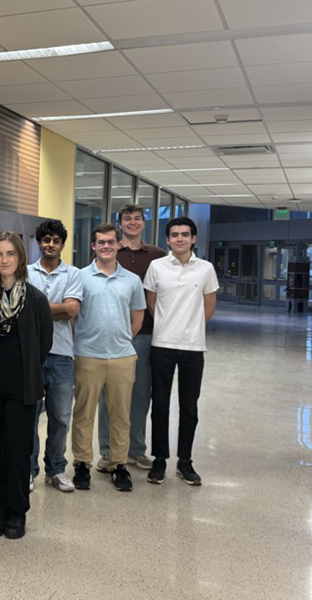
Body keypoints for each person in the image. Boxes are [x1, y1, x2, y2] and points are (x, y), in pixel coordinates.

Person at [0, 232, 52, 540]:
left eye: (10, 254)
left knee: (17, 452)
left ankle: (17, 513)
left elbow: (44, 343)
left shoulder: (36, 299)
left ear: (20, 258)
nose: (4, 260)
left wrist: (22, 365)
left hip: (22, 384)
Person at [70, 224, 145, 492]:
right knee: (83, 413)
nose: (105, 246)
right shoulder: (79, 277)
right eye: (100, 242)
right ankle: (81, 463)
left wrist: (119, 339)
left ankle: (118, 465)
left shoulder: (132, 280)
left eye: (110, 242)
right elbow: (72, 318)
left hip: (123, 357)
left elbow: (137, 319)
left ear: (118, 245)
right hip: (87, 356)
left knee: (121, 415)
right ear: (93, 246)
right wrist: (85, 341)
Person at [144, 216, 218, 486]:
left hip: (193, 347)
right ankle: (160, 460)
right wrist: (169, 325)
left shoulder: (206, 269)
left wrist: (191, 327)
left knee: (189, 406)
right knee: (160, 405)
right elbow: (152, 303)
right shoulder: (156, 266)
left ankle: (185, 461)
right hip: (162, 345)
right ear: (167, 239)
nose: (179, 239)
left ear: (193, 238)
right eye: (174, 234)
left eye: (185, 234)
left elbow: (209, 306)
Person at [97, 205, 166, 473]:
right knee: (109, 397)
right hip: (110, 336)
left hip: (146, 335)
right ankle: (107, 450)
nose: (133, 222)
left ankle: (135, 449)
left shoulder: (157, 256)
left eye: (138, 218)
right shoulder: (111, 249)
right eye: (127, 219)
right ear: (120, 223)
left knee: (139, 395)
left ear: (144, 223)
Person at [26, 219, 82, 493]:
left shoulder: (73, 274)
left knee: (60, 416)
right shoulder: (26, 272)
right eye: (45, 240)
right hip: (31, 356)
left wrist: (39, 308)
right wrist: (58, 308)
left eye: (55, 241)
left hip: (61, 354)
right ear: (39, 242)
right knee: (30, 416)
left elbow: (72, 310)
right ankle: (29, 470)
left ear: (62, 244)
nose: (50, 244)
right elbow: (22, 310)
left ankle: (56, 469)